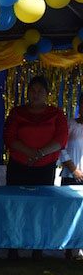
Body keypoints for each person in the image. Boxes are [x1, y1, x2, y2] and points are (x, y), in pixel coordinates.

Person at [4, 75, 68, 260]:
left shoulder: (56, 114)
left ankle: (37, 249)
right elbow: (9, 137)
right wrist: (30, 153)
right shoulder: (17, 112)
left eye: (40, 90)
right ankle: (12, 247)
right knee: (15, 207)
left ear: (47, 94)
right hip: (18, 166)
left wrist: (39, 154)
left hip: (45, 168)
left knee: (40, 208)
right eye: (32, 90)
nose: (36, 94)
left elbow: (61, 139)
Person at [59, 92, 83, 260]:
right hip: (71, 175)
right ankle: (68, 250)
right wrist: (74, 169)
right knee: (69, 214)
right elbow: (61, 148)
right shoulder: (70, 124)